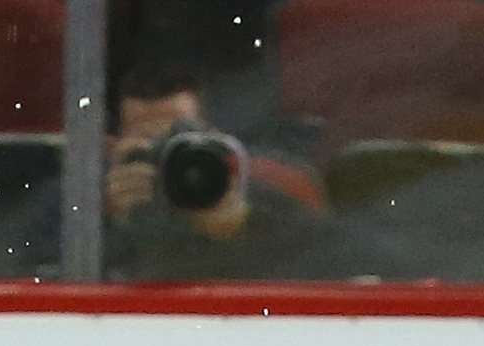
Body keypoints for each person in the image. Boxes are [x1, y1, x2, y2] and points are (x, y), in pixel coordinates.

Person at [102, 64, 364, 285]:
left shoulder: (256, 198)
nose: (166, 153)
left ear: (213, 137)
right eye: (148, 139)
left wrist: (239, 228)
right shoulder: (80, 206)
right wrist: (113, 223)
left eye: (179, 136)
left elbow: (346, 259)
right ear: (116, 145)